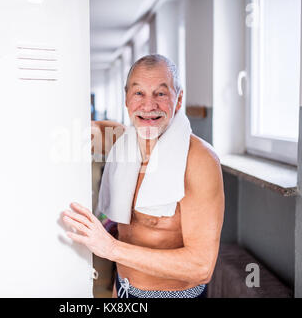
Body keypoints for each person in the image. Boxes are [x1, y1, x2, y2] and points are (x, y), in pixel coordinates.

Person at [62, 54, 224, 298]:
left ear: (178, 100)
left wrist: (111, 248)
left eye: (160, 93)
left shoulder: (200, 161)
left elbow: (201, 266)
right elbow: (72, 132)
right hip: (124, 290)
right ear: (126, 98)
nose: (148, 106)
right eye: (139, 93)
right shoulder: (119, 141)